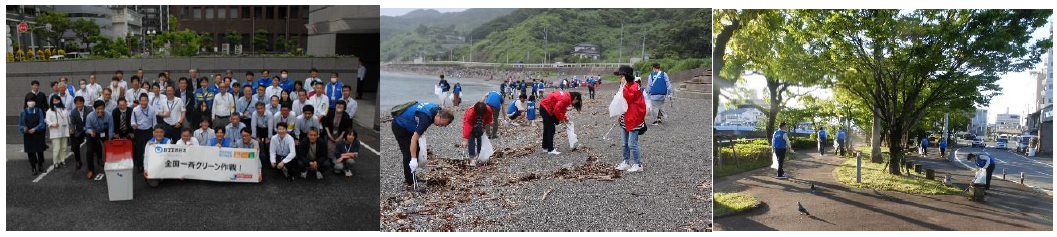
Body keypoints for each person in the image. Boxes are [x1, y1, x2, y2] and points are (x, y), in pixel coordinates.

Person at [391, 102, 454, 191]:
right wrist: (413, 160)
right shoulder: (426, 119)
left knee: (417, 149)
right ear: (439, 116)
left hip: (409, 125)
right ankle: (410, 184)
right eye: (440, 124)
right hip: (400, 126)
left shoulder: (437, 109)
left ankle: (412, 176)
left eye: (442, 126)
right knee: (408, 154)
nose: (439, 126)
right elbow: (414, 139)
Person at [614, 65, 647, 173]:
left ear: (625, 76)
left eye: (621, 75)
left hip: (634, 119)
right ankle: (626, 162)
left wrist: (624, 85)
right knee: (624, 143)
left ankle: (638, 164)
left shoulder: (633, 86)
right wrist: (619, 113)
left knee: (632, 143)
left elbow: (628, 97)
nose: (619, 77)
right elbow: (621, 102)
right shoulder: (625, 85)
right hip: (625, 117)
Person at [539, 90, 583, 155]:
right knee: (551, 129)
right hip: (546, 108)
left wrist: (565, 118)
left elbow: (561, 109)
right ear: (575, 97)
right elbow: (557, 109)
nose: (575, 103)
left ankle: (545, 147)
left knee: (547, 129)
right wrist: (562, 119)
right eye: (576, 101)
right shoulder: (566, 98)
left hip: (544, 106)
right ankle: (550, 150)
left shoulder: (566, 96)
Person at [84, 100, 113, 180]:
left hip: (104, 132)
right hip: (93, 132)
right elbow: (87, 128)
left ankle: (110, 165)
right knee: (89, 151)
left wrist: (110, 139)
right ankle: (90, 169)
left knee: (109, 148)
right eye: (98, 109)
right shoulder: (90, 116)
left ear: (104, 108)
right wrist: (91, 132)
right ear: (94, 109)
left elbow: (111, 128)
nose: (100, 110)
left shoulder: (109, 115)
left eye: (102, 108)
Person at [20, 95, 48, 176]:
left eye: (32, 100)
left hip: (38, 133)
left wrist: (35, 129)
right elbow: (21, 124)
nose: (30, 102)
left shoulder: (39, 111)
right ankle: (33, 167)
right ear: (26, 102)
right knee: (30, 151)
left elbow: (42, 123)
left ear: (35, 102)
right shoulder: (23, 112)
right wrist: (24, 128)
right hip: (28, 134)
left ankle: (40, 165)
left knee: (40, 150)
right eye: (28, 100)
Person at [131, 94, 158, 173]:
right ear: (139, 101)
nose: (143, 102)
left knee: (149, 149)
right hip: (139, 131)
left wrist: (154, 131)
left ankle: (149, 165)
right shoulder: (135, 110)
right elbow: (132, 121)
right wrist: (134, 125)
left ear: (148, 101)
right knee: (139, 149)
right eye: (142, 100)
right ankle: (140, 165)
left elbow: (154, 122)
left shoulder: (152, 109)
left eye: (145, 100)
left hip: (149, 130)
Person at [463, 102, 493, 167]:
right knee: (471, 137)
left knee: (480, 136)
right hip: (471, 122)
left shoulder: (488, 110)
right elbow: (467, 126)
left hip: (481, 123)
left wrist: (484, 127)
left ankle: (480, 154)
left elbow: (489, 119)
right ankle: (472, 157)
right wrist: (465, 140)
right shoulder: (470, 113)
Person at [45, 95, 71, 169]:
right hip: (55, 131)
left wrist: (69, 128)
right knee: (56, 148)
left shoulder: (64, 109)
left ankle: (62, 160)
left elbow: (68, 119)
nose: (56, 102)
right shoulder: (49, 111)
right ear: (51, 102)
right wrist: (52, 124)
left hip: (64, 131)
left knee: (64, 147)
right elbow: (47, 120)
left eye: (57, 100)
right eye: (54, 100)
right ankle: (55, 162)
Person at [68, 96, 90, 173]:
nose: (79, 105)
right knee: (75, 146)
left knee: (92, 144)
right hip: (79, 130)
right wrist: (71, 128)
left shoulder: (89, 110)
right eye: (77, 103)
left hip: (88, 129)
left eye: (81, 103)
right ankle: (78, 161)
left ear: (83, 103)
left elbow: (92, 120)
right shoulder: (73, 112)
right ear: (75, 104)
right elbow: (72, 123)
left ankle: (97, 158)